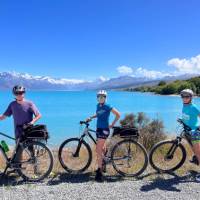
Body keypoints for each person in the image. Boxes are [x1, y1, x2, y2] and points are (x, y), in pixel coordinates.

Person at [86, 90, 120, 182]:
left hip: (104, 130)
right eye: (99, 97)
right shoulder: (98, 106)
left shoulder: (108, 106)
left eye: (102, 97)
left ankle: (100, 172)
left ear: (105, 98)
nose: (100, 98)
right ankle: (103, 165)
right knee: (102, 148)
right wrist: (91, 117)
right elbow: (98, 114)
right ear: (97, 98)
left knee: (98, 150)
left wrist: (112, 124)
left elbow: (118, 114)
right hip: (98, 129)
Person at [180, 89, 200, 181]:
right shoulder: (184, 106)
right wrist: (181, 120)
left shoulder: (193, 107)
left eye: (187, 96)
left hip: (194, 131)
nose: (184, 98)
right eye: (183, 96)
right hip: (187, 130)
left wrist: (196, 128)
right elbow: (186, 117)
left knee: (198, 152)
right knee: (193, 149)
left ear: (191, 98)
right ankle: (196, 159)